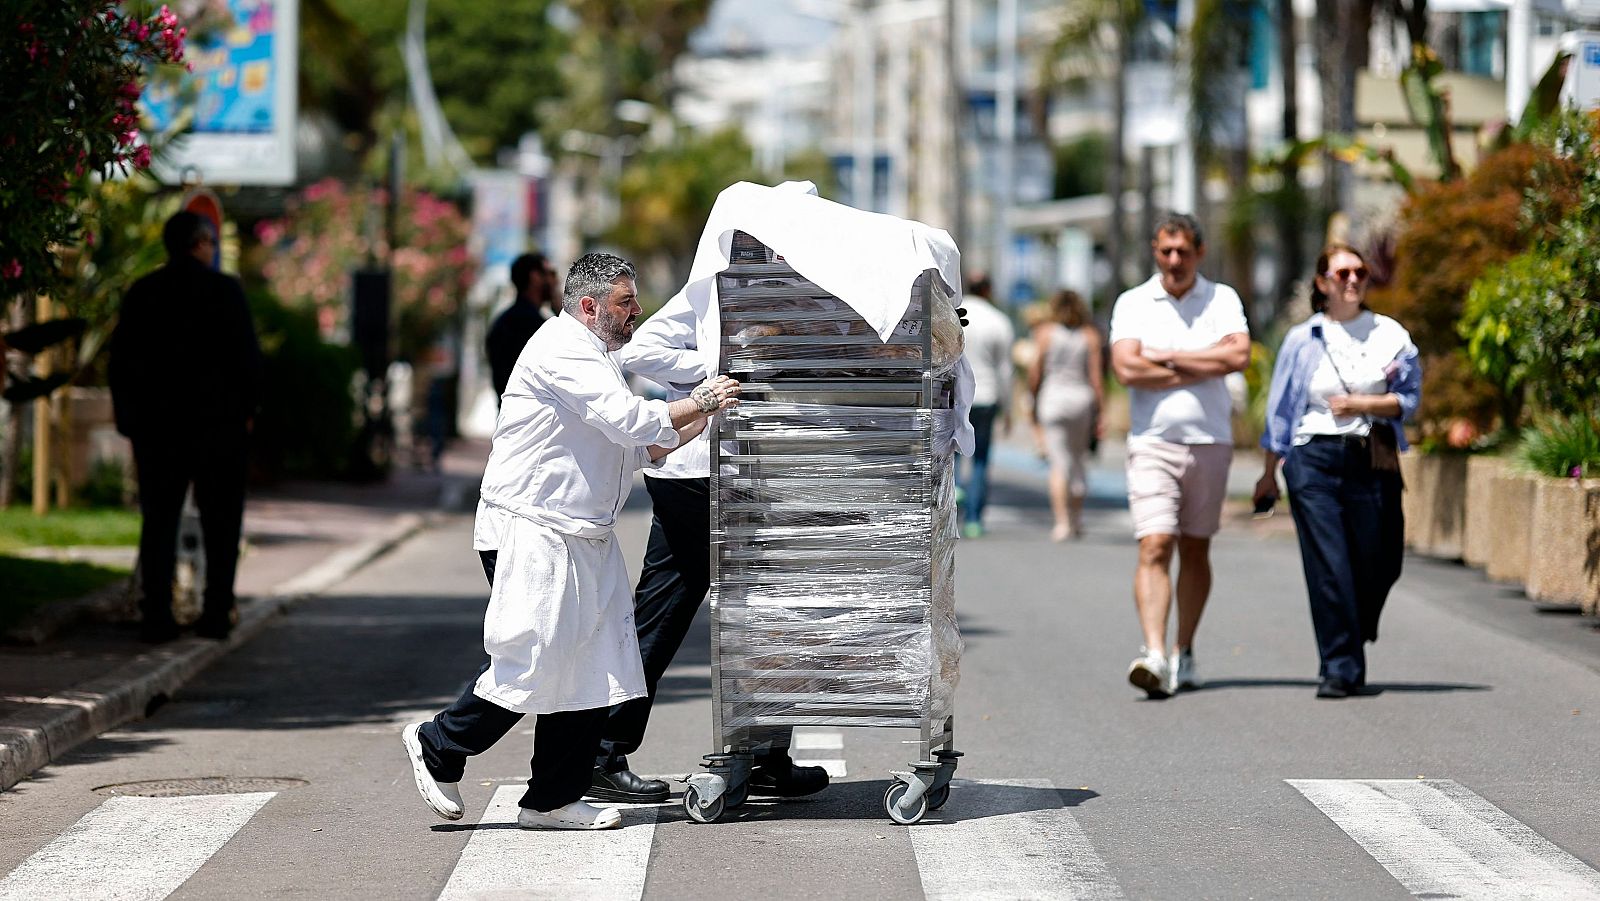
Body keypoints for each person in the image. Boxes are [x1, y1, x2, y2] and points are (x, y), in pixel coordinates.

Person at [401, 253, 742, 830]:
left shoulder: (597, 358)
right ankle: (439, 743)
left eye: (634, 300)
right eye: (625, 302)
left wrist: (692, 422)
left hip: (584, 535)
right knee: (532, 659)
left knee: (597, 665)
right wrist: (700, 401)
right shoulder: (560, 348)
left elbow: (630, 448)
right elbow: (631, 421)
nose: (636, 312)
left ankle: (553, 799)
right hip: (532, 529)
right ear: (589, 306)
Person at [588, 273, 829, 805]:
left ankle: (759, 753)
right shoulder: (714, 289)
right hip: (700, 472)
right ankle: (606, 751)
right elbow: (643, 351)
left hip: (757, 473)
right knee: (724, 613)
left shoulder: (814, 302)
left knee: (750, 615)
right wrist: (723, 368)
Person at [1253, 243, 1420, 699]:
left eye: (1359, 272)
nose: (1352, 280)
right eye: (1342, 273)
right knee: (1330, 563)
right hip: (1313, 460)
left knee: (1381, 561)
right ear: (1322, 283)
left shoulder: (1390, 334)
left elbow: (1409, 399)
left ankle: (1352, 626)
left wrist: (1362, 404)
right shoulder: (1302, 339)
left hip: (1372, 456)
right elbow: (1281, 411)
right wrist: (1270, 472)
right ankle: (1340, 668)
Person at [1108, 212, 1249, 698]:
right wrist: (1200, 361)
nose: (1174, 261)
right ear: (1154, 250)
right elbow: (1125, 367)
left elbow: (1238, 357)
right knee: (1155, 544)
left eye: (1183, 252)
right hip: (1153, 443)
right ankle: (1154, 653)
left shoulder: (1222, 298)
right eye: (1166, 251)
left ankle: (1183, 649)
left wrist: (1163, 357)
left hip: (1210, 442)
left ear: (1199, 253)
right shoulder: (1133, 302)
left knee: (1195, 547)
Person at [109, 211, 262, 644]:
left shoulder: (144, 292)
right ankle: (216, 614)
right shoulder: (225, 291)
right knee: (221, 523)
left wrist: (129, 421)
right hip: (219, 429)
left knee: (158, 521)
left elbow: (120, 362)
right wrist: (248, 412)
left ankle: (156, 615)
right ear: (200, 244)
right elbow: (249, 362)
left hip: (157, 430)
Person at [1029, 289, 1104, 541]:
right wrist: (1101, 410)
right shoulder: (1089, 336)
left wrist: (1032, 397)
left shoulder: (1045, 333)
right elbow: (1096, 378)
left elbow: (1035, 372)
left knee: (1059, 462)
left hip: (1053, 399)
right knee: (1079, 459)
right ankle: (1077, 517)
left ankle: (1062, 522)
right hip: (1081, 400)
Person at [957, 273, 1016, 538]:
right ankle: (973, 519)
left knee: (953, 451)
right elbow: (1006, 369)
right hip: (987, 394)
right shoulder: (999, 321)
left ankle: (955, 487)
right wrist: (1008, 405)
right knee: (980, 458)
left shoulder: (954, 314)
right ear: (989, 289)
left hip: (958, 393)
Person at [486, 252, 555, 402]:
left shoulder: (502, 322)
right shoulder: (537, 326)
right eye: (551, 273)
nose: (555, 280)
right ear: (535, 277)